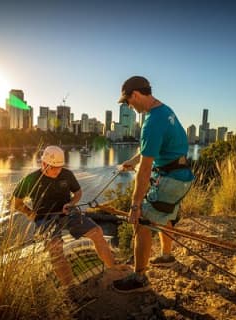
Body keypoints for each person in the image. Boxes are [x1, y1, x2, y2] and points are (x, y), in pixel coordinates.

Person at [113, 76, 194, 293]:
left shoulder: (151, 122)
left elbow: (146, 171)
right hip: (183, 177)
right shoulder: (165, 110)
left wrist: (135, 205)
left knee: (141, 222)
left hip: (170, 180)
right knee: (166, 216)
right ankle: (167, 256)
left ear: (136, 95)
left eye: (128, 101)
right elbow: (154, 149)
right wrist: (132, 161)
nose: (129, 106)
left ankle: (139, 278)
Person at [11, 145, 116, 302]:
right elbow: (16, 203)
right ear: (44, 164)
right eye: (53, 168)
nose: (57, 171)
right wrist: (31, 215)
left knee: (97, 231)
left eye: (59, 167)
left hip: (68, 212)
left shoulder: (67, 174)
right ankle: (70, 289)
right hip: (45, 218)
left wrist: (72, 203)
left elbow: (78, 193)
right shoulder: (31, 179)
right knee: (55, 247)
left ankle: (113, 272)